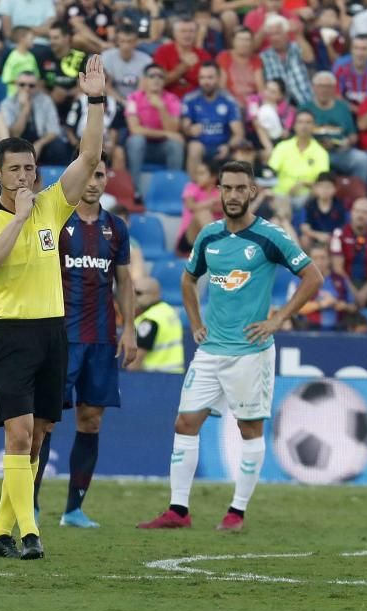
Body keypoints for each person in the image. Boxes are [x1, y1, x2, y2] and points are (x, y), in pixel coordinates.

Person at [0, 55, 106, 560]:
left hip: (52, 331)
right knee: (19, 432)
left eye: (30, 168)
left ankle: (0, 533)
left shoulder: (51, 201)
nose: (24, 176)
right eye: (15, 169)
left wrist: (94, 102)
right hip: (12, 334)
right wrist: (19, 220)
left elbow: (89, 159)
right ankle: (29, 533)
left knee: (39, 435)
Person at [137, 160, 322, 532]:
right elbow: (189, 281)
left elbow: (312, 277)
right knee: (185, 423)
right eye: (227, 188)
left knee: (249, 429)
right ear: (218, 191)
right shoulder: (209, 236)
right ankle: (178, 510)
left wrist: (278, 318)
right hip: (211, 350)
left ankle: (236, 512)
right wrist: (196, 323)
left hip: (250, 352)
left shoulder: (269, 237)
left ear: (252, 192)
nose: (233, 195)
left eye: (241, 188)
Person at [32, 155, 137, 529]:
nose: (93, 182)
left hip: (101, 340)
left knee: (91, 421)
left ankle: (74, 509)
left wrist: (130, 328)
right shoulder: (58, 223)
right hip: (60, 337)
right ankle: (31, 504)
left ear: (107, 179)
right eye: (88, 175)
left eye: (99, 175)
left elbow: (124, 282)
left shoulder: (116, 228)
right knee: (43, 422)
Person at [303, 71, 367, 201]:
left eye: (327, 86)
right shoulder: (305, 107)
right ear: (314, 87)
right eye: (320, 86)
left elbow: (353, 135)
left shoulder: (342, 107)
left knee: (362, 159)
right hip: (312, 153)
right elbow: (299, 133)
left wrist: (345, 143)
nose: (324, 90)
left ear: (333, 89)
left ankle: (358, 199)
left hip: (338, 152)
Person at [124, 64, 185, 187]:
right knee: (136, 141)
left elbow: (173, 130)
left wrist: (161, 108)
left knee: (176, 145)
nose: (156, 80)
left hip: (162, 147)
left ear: (164, 81)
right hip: (142, 146)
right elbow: (134, 129)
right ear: (145, 80)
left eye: (160, 77)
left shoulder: (172, 99)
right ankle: (135, 190)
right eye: (152, 76)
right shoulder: (133, 98)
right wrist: (166, 133)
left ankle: (172, 189)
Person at [182, 63, 244, 174]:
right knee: (194, 148)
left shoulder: (229, 100)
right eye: (202, 78)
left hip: (223, 146)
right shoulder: (190, 99)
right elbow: (184, 127)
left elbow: (239, 134)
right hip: (201, 146)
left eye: (210, 77)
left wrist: (228, 146)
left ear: (218, 78)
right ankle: (192, 189)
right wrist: (190, 130)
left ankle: (240, 189)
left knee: (243, 154)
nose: (206, 82)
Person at [0, 72, 71, 166]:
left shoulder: (45, 100)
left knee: (59, 146)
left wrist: (39, 144)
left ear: (37, 86)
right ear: (16, 85)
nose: (27, 88)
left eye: (31, 85)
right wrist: (25, 109)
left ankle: (56, 175)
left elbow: (54, 130)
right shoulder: (7, 104)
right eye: (22, 85)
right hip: (19, 142)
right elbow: (14, 134)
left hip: (41, 140)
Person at [288, 243, 356, 331]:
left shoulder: (340, 280)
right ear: (308, 259)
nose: (319, 262)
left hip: (339, 331)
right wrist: (321, 304)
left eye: (323, 258)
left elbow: (354, 307)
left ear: (329, 260)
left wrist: (344, 306)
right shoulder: (298, 281)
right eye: (315, 258)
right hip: (307, 331)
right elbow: (292, 309)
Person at [267, 109, 329, 205]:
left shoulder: (321, 152)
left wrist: (303, 184)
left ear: (314, 126)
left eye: (308, 122)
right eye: (300, 122)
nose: (304, 126)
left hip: (306, 197)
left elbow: (322, 182)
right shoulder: (282, 146)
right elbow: (271, 171)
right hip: (280, 194)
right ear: (294, 126)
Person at [128, 275, 184, 372]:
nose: (133, 297)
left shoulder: (149, 320)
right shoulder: (169, 310)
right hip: (175, 376)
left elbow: (135, 362)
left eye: (138, 293)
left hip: (154, 379)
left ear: (153, 294)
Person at [260, 15, 314, 108]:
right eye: (271, 35)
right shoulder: (264, 57)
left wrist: (298, 35)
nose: (274, 38)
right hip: (280, 108)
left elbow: (309, 58)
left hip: (305, 101)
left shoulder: (297, 47)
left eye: (278, 33)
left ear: (287, 34)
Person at [153, 16, 212, 99]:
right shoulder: (162, 52)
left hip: (197, 102)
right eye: (183, 31)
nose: (187, 35)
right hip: (168, 100)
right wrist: (184, 66)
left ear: (196, 34)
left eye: (191, 31)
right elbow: (158, 82)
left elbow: (211, 85)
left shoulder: (203, 55)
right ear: (174, 33)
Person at [103, 24, 153, 108]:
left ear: (136, 42)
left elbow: (142, 89)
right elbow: (106, 87)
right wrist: (122, 102)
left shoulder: (146, 61)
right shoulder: (106, 57)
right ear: (117, 41)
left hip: (137, 103)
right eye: (122, 41)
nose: (126, 46)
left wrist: (130, 104)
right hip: (112, 101)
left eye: (130, 41)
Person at [177, 161, 221, 256]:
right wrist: (212, 202)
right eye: (197, 173)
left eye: (201, 173)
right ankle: (219, 248)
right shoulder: (191, 187)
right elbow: (191, 206)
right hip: (189, 240)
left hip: (206, 243)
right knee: (203, 213)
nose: (197, 177)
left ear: (213, 177)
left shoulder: (220, 192)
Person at [247, 78, 295, 161]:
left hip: (277, 139)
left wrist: (284, 131)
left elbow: (286, 131)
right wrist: (268, 147)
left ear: (281, 96)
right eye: (267, 89)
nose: (267, 94)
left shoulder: (288, 109)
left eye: (273, 92)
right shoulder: (254, 100)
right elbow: (255, 122)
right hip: (255, 138)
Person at [332, 34, 367, 112]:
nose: (359, 53)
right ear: (351, 49)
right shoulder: (340, 67)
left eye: (364, 49)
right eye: (356, 48)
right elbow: (336, 95)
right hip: (345, 111)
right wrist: (357, 110)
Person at [216, 27, 264, 108]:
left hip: (252, 103)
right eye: (240, 39)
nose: (244, 43)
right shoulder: (224, 57)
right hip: (230, 102)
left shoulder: (256, 60)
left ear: (252, 42)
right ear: (233, 41)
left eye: (247, 40)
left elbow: (260, 87)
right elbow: (221, 87)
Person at [300, 171, 347, 248]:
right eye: (321, 186)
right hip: (315, 238)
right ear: (316, 188)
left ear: (335, 189)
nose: (324, 190)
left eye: (328, 187)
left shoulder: (340, 207)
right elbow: (304, 228)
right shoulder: (309, 206)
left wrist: (331, 237)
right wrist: (318, 235)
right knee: (304, 239)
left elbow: (344, 227)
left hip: (333, 239)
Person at [1, 26, 40, 97]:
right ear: (22, 39)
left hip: (30, 95)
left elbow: (36, 76)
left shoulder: (32, 57)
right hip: (14, 95)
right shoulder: (13, 57)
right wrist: (23, 84)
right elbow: (6, 78)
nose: (33, 41)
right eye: (31, 39)